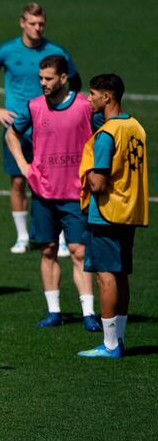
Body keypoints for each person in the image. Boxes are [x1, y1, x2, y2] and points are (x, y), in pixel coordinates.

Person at [5, 55, 102, 331]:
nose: (43, 83)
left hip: (75, 192)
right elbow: (11, 135)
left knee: (78, 251)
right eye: (41, 78)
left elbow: (105, 134)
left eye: (48, 79)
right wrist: (24, 167)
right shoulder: (35, 107)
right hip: (44, 192)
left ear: (63, 78)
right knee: (47, 249)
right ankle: (54, 311)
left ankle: (88, 313)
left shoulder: (85, 106)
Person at [0, 2, 80, 254]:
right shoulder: (6, 51)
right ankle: (23, 237)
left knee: (58, 179)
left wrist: (65, 113)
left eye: (41, 24)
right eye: (32, 23)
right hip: (18, 127)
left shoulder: (56, 52)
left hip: (50, 127)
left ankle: (63, 237)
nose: (37, 28)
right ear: (22, 22)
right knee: (17, 181)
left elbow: (76, 81)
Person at [77, 74, 148, 358]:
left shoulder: (106, 135)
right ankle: (118, 339)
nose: (88, 98)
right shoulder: (135, 127)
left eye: (92, 93)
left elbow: (98, 183)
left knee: (106, 277)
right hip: (129, 210)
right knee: (121, 276)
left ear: (107, 97)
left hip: (106, 213)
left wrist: (87, 169)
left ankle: (108, 345)